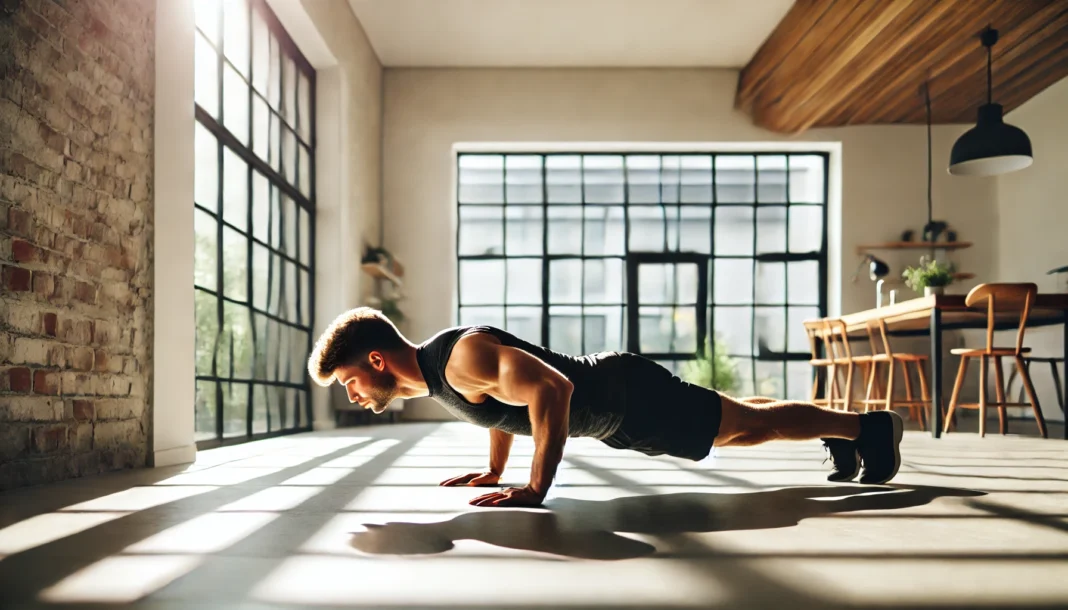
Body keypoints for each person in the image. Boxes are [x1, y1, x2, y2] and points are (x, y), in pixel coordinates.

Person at [308, 308, 903, 508]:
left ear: (377, 361)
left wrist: (537, 486)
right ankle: (850, 432)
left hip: (624, 397)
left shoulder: (456, 357)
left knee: (748, 427)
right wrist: (495, 468)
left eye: (349, 382)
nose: (353, 396)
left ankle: (867, 429)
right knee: (743, 423)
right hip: (616, 418)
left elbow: (551, 391)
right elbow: (498, 405)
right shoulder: (426, 379)